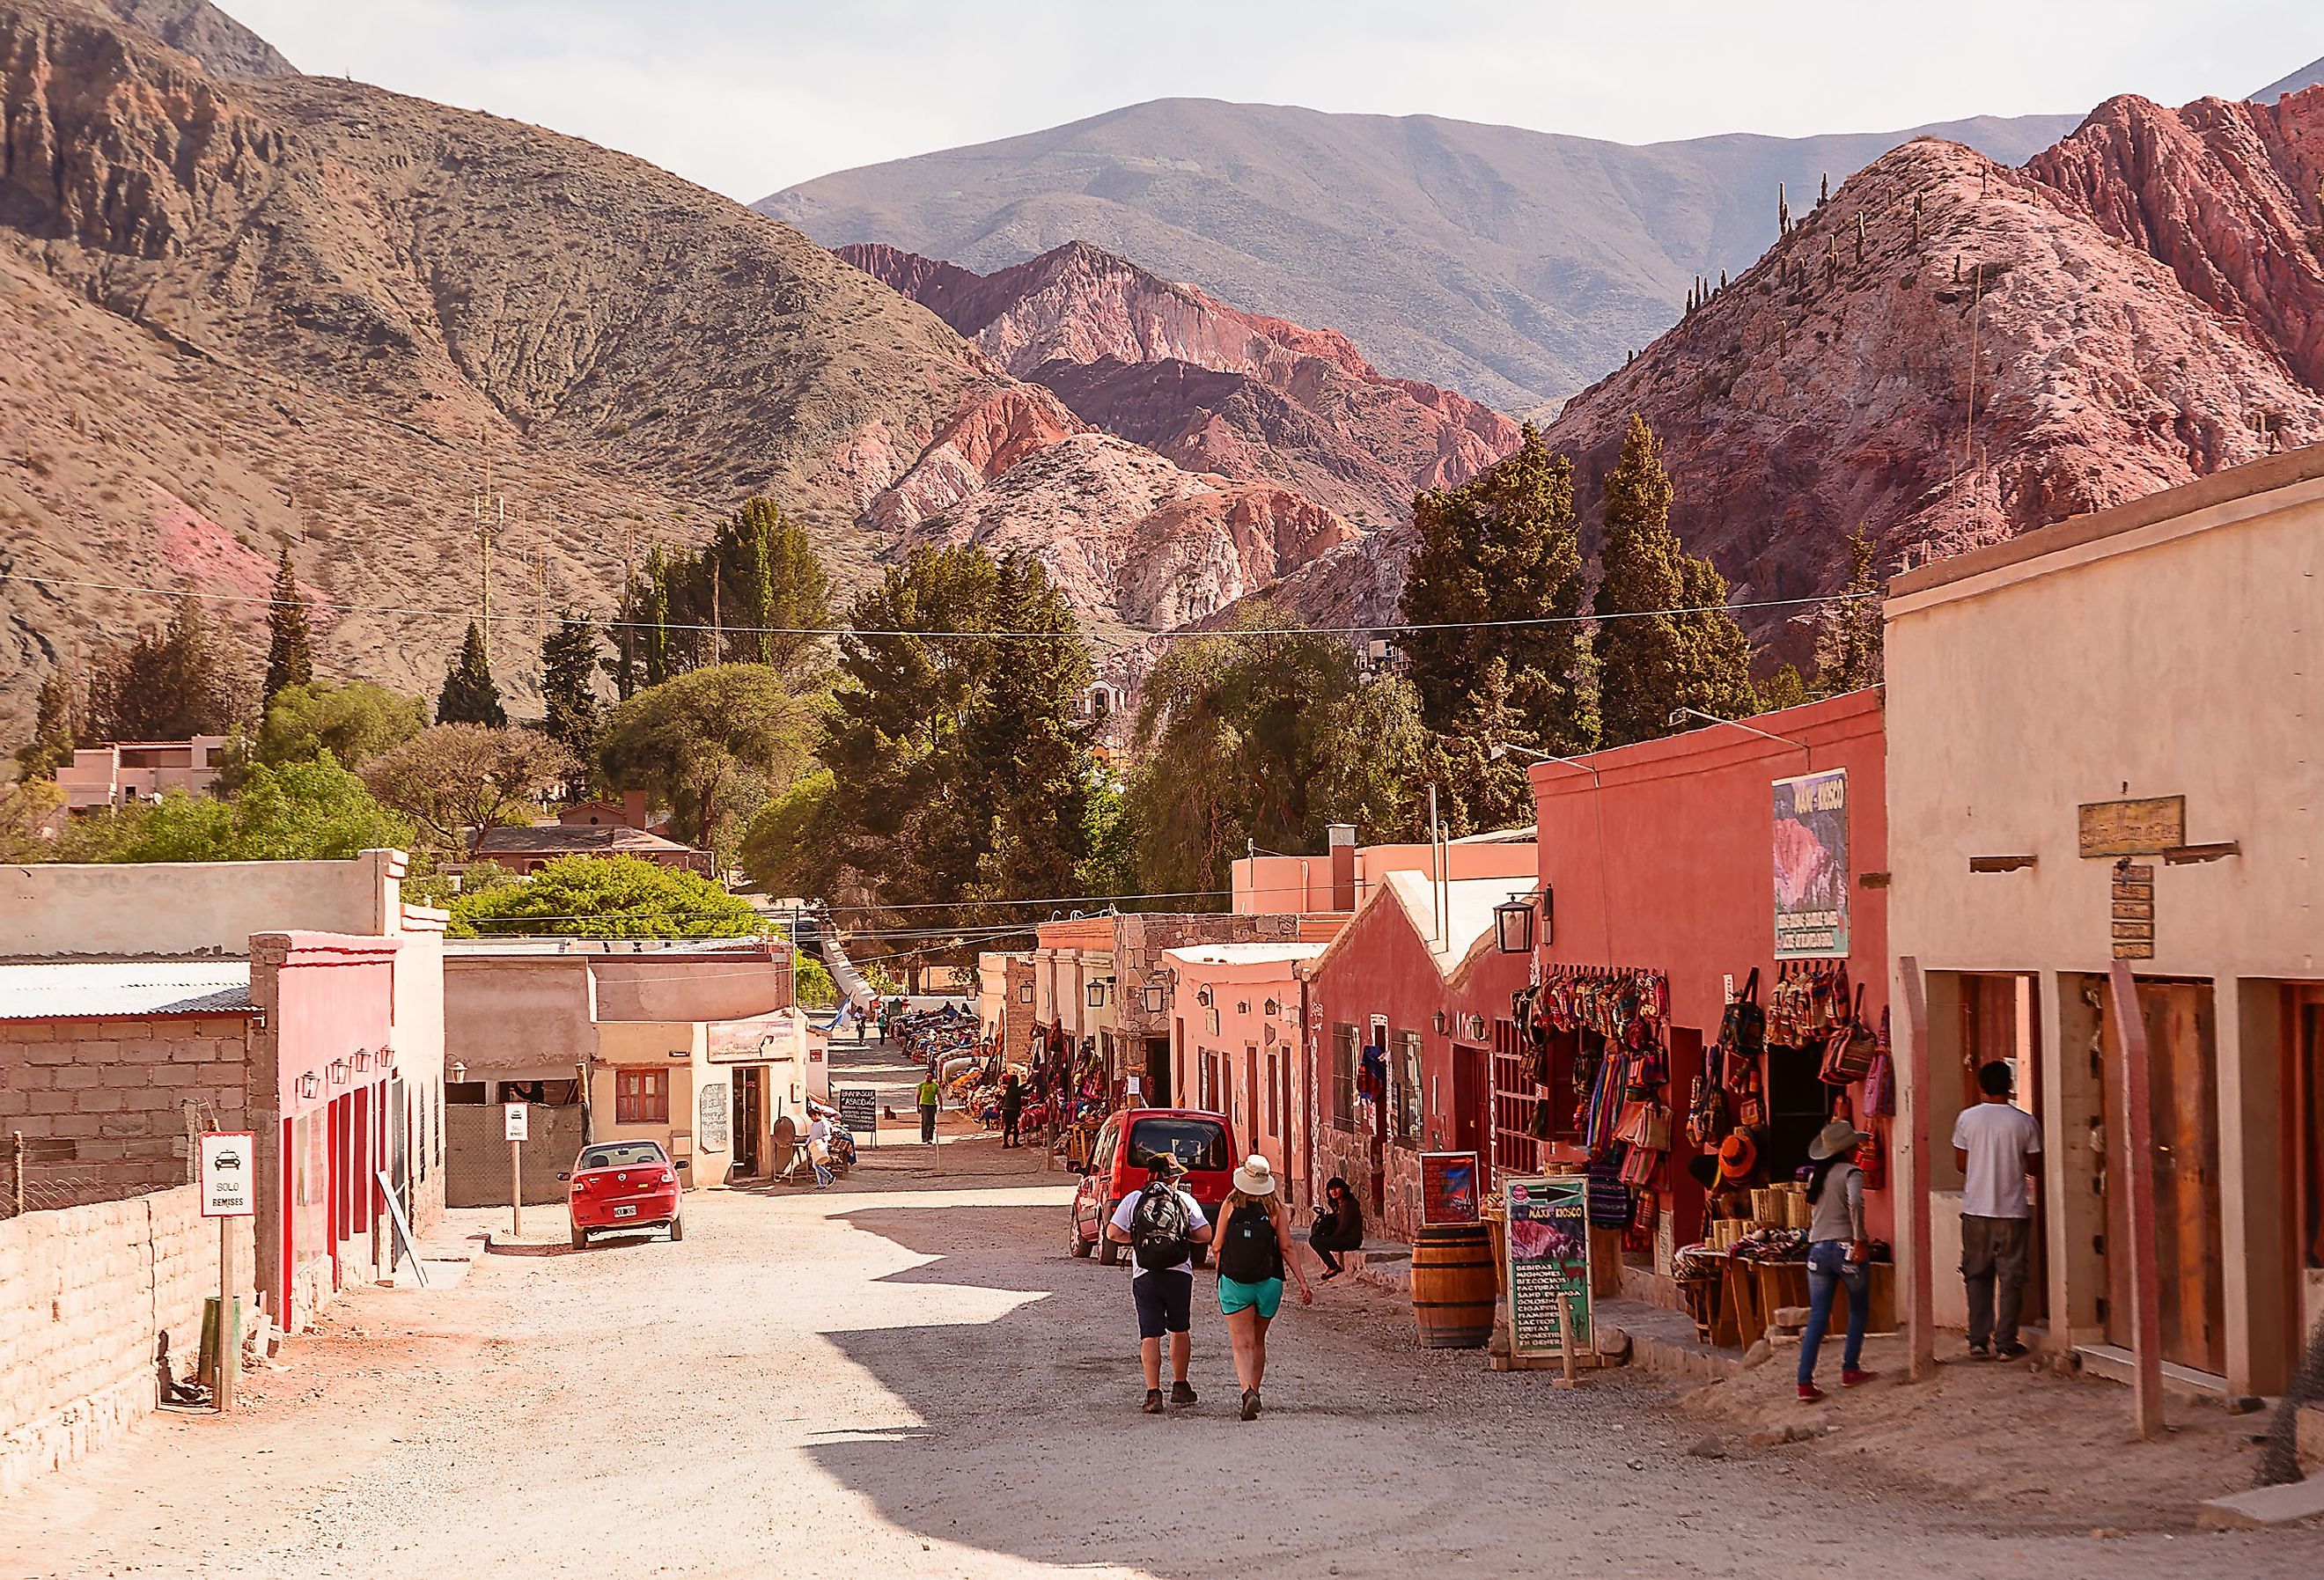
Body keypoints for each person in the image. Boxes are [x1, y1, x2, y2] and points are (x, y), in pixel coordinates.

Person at [1106, 1155, 1214, 1413]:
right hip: (1179, 1273)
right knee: (1179, 1329)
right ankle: (1180, 1386)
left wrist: (1140, 1239)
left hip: (1145, 1274)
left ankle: (1153, 1393)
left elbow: (1111, 1233)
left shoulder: (1134, 1199)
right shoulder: (1184, 1200)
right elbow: (1206, 1234)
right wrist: (1179, 1237)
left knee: (1150, 1335)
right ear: (1172, 1177)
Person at [1211, 1155, 1313, 1421]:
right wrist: (1302, 1282)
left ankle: (1247, 1392)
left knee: (1241, 1343)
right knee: (1258, 1340)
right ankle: (1256, 1389)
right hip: (1269, 1282)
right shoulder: (1276, 1208)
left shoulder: (1231, 1204)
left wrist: (1222, 1272)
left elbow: (1217, 1244)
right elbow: (1287, 1247)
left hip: (1235, 1283)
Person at [1953, 1059, 2042, 1360]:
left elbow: (1961, 1164)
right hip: (2012, 1209)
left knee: (1976, 1275)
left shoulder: (1967, 1119)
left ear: (1981, 1086)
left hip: (1976, 1209)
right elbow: (2033, 1167)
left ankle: (1977, 1340)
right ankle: (2006, 1342)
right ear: (2010, 1085)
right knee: (2011, 1277)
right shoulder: (2025, 1122)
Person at [1797, 1118, 1874, 1401]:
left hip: (1817, 1250)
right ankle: (1850, 1368)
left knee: (1818, 1315)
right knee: (1858, 1308)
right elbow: (1855, 1203)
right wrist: (1860, 1239)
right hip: (1845, 1248)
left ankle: (1804, 1381)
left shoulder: (1815, 1177)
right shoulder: (1851, 1173)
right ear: (1849, 1147)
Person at [1307, 1175, 1364, 1280]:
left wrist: (1330, 1238)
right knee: (1315, 1239)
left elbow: (1343, 1227)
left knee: (1316, 1241)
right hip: (1344, 1238)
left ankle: (1333, 1267)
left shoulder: (1348, 1204)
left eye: (1336, 1188)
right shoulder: (1338, 1204)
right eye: (1331, 1189)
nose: (1333, 1191)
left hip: (1351, 1240)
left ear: (1343, 1189)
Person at [806, 1110, 835, 1190]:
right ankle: (821, 1184)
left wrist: (824, 1138)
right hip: (814, 1147)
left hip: (821, 1146)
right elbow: (811, 1135)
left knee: (816, 1165)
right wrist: (807, 1142)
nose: (811, 1118)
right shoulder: (813, 1124)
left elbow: (828, 1135)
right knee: (818, 1165)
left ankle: (830, 1176)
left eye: (812, 1116)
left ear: (816, 1115)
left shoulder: (823, 1123)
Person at [1000, 1074, 1025, 1149]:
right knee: (1014, 1127)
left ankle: (1005, 1143)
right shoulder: (1014, 1089)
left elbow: (1019, 1090)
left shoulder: (1010, 1088)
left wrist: (1026, 1084)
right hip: (1012, 1110)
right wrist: (1032, 1087)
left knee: (1008, 1127)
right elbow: (1023, 1092)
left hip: (1007, 1110)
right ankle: (1014, 1142)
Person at [917, 1070, 941, 1145]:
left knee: (932, 1122)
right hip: (924, 1104)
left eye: (929, 1076)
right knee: (925, 1121)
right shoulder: (921, 1085)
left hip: (932, 1105)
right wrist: (917, 1107)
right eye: (927, 1076)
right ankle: (925, 1137)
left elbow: (939, 1096)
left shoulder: (935, 1086)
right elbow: (918, 1096)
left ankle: (930, 1138)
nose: (928, 1077)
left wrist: (941, 1105)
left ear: (932, 1077)